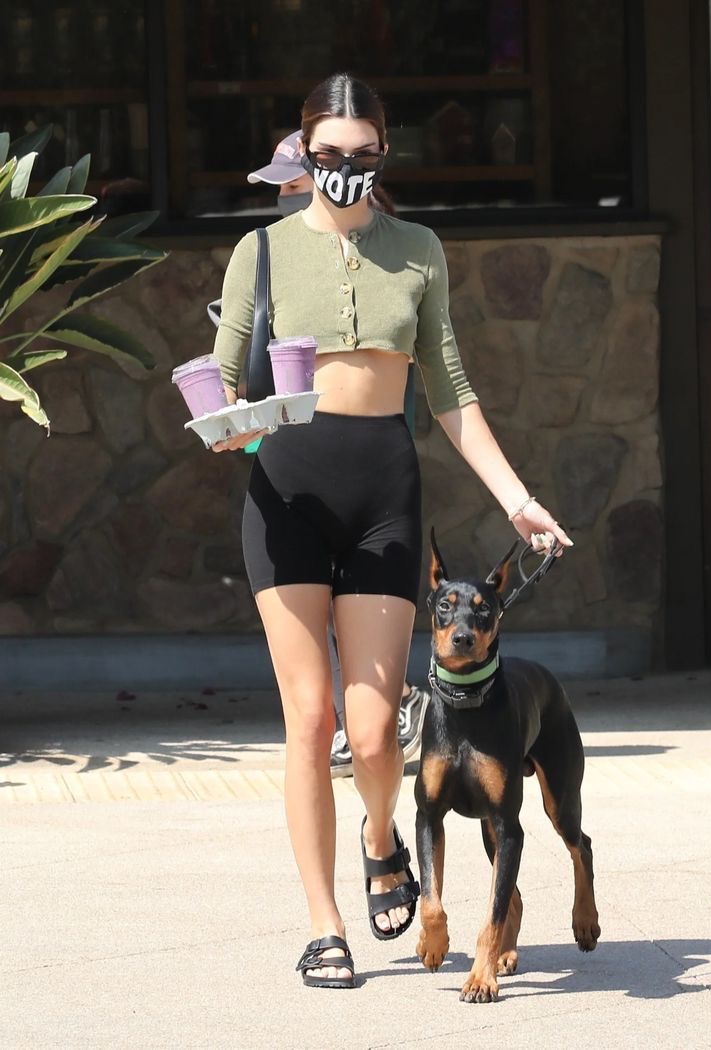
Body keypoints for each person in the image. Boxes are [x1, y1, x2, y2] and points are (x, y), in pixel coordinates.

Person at [210, 73, 572, 990]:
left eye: (362, 154)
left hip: (383, 492)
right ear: (304, 153)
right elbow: (222, 381)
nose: (346, 168)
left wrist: (516, 498)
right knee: (310, 719)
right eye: (329, 154)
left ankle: (381, 839)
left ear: (383, 152)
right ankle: (324, 926)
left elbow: (450, 390)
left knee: (373, 736)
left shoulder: (418, 250)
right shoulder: (260, 252)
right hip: (285, 493)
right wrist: (232, 421)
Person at [243, 130, 432, 777]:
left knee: (356, 606)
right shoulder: (272, 252)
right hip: (289, 452)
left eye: (292, 186)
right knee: (310, 619)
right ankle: (370, 713)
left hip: (369, 457)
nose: (285, 199)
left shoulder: (395, 255)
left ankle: (386, 708)